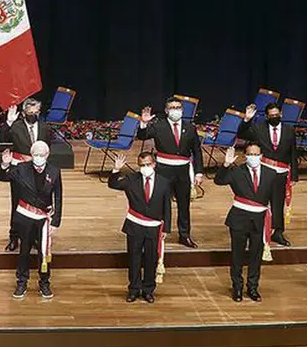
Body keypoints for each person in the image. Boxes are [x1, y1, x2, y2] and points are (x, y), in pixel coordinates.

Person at [0, 141, 62, 300]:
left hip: (43, 219)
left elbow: (58, 198)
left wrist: (55, 222)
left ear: (47, 155)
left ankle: (45, 283)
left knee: (44, 251)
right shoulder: (21, 168)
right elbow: (2, 176)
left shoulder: (54, 171)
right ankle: (21, 282)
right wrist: (5, 165)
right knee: (24, 251)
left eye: (42, 154)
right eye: (36, 154)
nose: (39, 157)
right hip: (25, 217)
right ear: (31, 155)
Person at [137, 97, 204, 248]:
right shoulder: (158, 125)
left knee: (184, 204)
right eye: (172, 107)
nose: (175, 110)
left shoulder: (190, 128)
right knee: (162, 203)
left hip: (183, 171)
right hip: (163, 170)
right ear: (167, 111)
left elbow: (197, 152)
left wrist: (199, 172)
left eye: (178, 107)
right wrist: (144, 123)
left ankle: (184, 235)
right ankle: (160, 232)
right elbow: (142, 136)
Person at [214, 144, 276, 303]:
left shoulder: (271, 173)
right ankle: (237, 288)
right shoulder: (236, 172)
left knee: (256, 256)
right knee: (237, 256)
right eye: (250, 154)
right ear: (245, 155)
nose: (253, 157)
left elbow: (276, 200)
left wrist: (274, 223)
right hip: (239, 219)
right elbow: (219, 181)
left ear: (261, 155)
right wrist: (226, 165)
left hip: (260, 221)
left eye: (256, 154)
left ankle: (253, 288)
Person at [108, 151, 171, 303]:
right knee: (134, 259)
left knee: (151, 259)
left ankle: (148, 290)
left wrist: (166, 229)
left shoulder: (164, 182)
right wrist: (116, 170)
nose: (145, 167)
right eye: (142, 165)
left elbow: (167, 207)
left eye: (148, 164)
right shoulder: (131, 179)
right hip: (135, 225)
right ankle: (134, 289)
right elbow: (113, 184)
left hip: (153, 227)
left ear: (154, 164)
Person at [239, 102, 299, 246]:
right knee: (259, 201)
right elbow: (242, 133)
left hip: (281, 173)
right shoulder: (259, 128)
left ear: (281, 114)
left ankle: (278, 233)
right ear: (266, 116)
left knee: (278, 204)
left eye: (276, 115)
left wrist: (295, 175)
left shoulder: (289, 130)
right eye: (271, 115)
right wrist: (246, 120)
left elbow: (293, 153)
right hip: (263, 172)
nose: (274, 117)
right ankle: (256, 231)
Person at [0, 97, 53, 252]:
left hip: (39, 170)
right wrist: (8, 122)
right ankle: (14, 236)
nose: (33, 114)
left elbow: (48, 148)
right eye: (30, 112)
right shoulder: (15, 127)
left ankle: (33, 237)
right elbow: (0, 140)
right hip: (19, 171)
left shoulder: (45, 128)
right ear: (23, 113)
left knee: (37, 203)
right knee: (17, 204)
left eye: (36, 112)